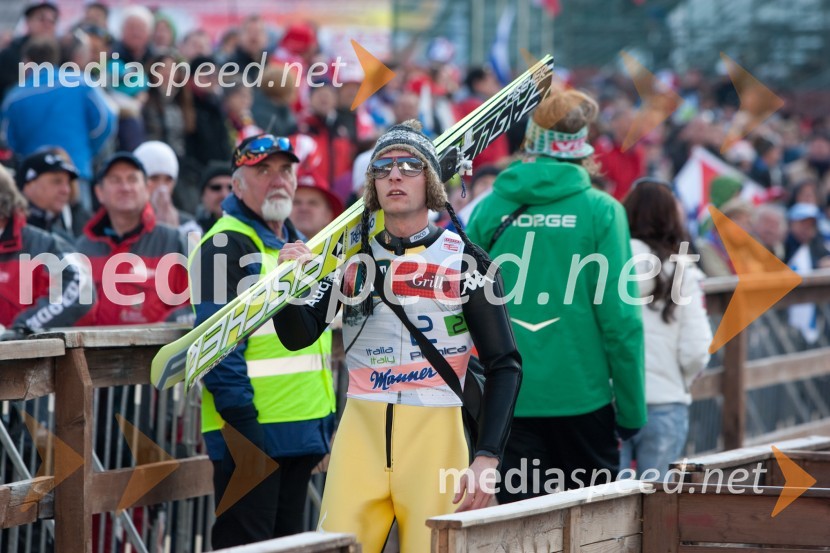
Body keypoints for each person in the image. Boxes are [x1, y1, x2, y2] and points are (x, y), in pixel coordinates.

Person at [273, 120, 522, 553]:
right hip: (360, 437)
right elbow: (298, 336)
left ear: (431, 183)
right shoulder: (349, 258)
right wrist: (287, 286)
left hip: (436, 440)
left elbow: (506, 364)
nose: (394, 174)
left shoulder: (465, 260)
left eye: (410, 165)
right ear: (372, 186)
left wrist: (487, 458)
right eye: (382, 167)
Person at [466, 88, 646, 501]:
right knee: (594, 534)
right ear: (583, 146)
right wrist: (633, 409)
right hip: (584, 401)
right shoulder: (603, 211)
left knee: (523, 532)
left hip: (507, 403)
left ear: (529, 142)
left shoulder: (488, 208)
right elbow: (622, 321)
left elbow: (460, 307)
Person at [188, 134, 336, 549]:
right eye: (262, 170)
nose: (277, 180)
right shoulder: (224, 243)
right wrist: (244, 427)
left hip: (300, 431)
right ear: (236, 184)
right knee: (247, 545)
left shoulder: (294, 246)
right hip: (252, 431)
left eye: (285, 169)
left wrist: (322, 426)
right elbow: (216, 347)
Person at [620, 179, 712, 477]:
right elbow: (696, 349)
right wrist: (680, 379)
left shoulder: (606, 261)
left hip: (614, 399)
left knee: (604, 506)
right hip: (665, 399)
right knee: (657, 505)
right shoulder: (683, 269)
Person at [75, 151, 191, 326]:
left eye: (132, 179)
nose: (125, 187)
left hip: (156, 351)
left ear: (147, 189)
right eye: (115, 180)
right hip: (93, 353)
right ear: (99, 193)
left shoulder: (174, 242)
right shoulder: (82, 248)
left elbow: (198, 305)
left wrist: (168, 325)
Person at [0, 164, 93, 339]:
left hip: (27, 360)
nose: (64, 190)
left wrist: (22, 329)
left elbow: (81, 287)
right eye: (56, 181)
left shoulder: (45, 244)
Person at [133, 140, 202, 239]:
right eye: (154, 178)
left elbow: (195, 253)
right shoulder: (126, 224)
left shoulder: (190, 226)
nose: (161, 187)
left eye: (168, 179)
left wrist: (175, 234)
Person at [18, 148, 90, 240]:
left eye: (68, 183)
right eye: (56, 181)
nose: (66, 190)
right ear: (29, 184)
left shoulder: (65, 239)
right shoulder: (6, 230)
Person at [290, 172, 343, 238]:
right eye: (296, 202)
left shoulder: (346, 248)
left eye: (313, 203)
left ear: (328, 215)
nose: (304, 208)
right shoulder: (274, 247)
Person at [195, 161, 233, 233]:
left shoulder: (252, 228)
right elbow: (192, 244)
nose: (224, 194)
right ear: (203, 195)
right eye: (216, 188)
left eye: (231, 188)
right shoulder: (192, 230)